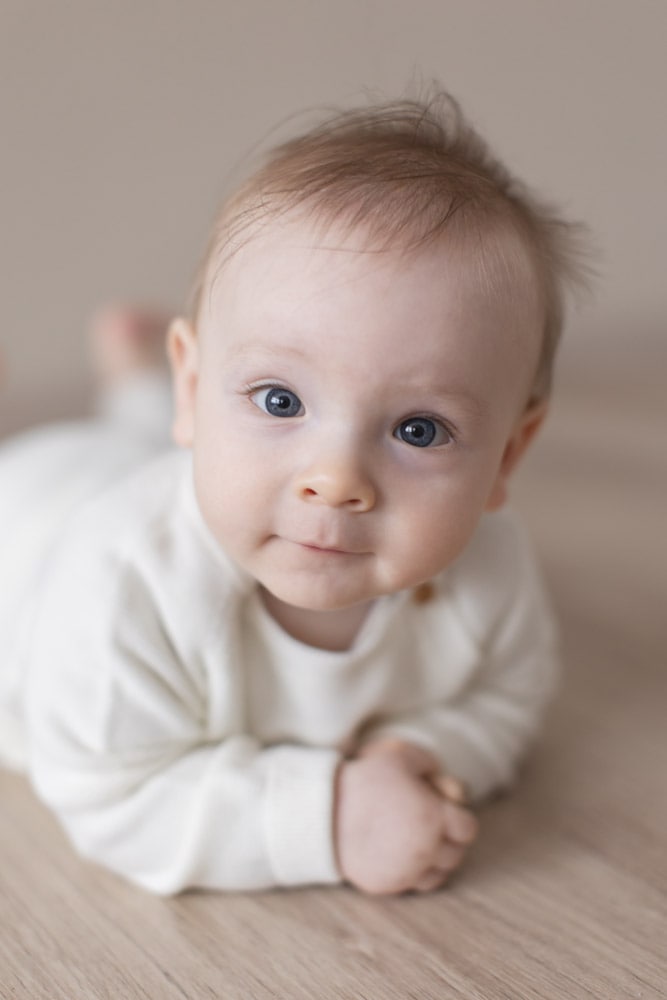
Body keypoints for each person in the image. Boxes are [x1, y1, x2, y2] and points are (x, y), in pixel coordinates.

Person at [0, 89, 587, 896]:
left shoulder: (488, 572)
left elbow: (508, 698)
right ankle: (137, 391)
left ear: (508, 455)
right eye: (280, 400)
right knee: (126, 458)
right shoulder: (118, 582)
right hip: (30, 510)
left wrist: (421, 751)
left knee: (208, 458)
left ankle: (141, 390)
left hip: (184, 464)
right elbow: (115, 793)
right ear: (196, 384)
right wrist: (327, 819)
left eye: (418, 430)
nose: (336, 478)